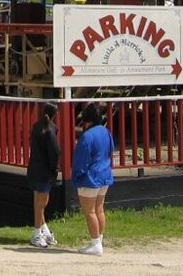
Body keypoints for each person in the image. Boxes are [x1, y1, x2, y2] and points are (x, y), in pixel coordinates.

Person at [72, 102, 114, 256]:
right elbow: (111, 149)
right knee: (99, 209)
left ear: (86, 119)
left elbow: (80, 159)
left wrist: (77, 174)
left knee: (89, 211)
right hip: (105, 173)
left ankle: (95, 244)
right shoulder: (106, 131)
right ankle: (99, 240)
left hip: (91, 177)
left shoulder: (87, 136)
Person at [26, 102, 60, 248]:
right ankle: (36, 233)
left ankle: (43, 229)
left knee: (38, 201)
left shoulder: (36, 126)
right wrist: (55, 169)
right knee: (42, 203)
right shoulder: (50, 130)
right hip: (45, 171)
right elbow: (55, 152)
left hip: (34, 168)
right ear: (55, 114)